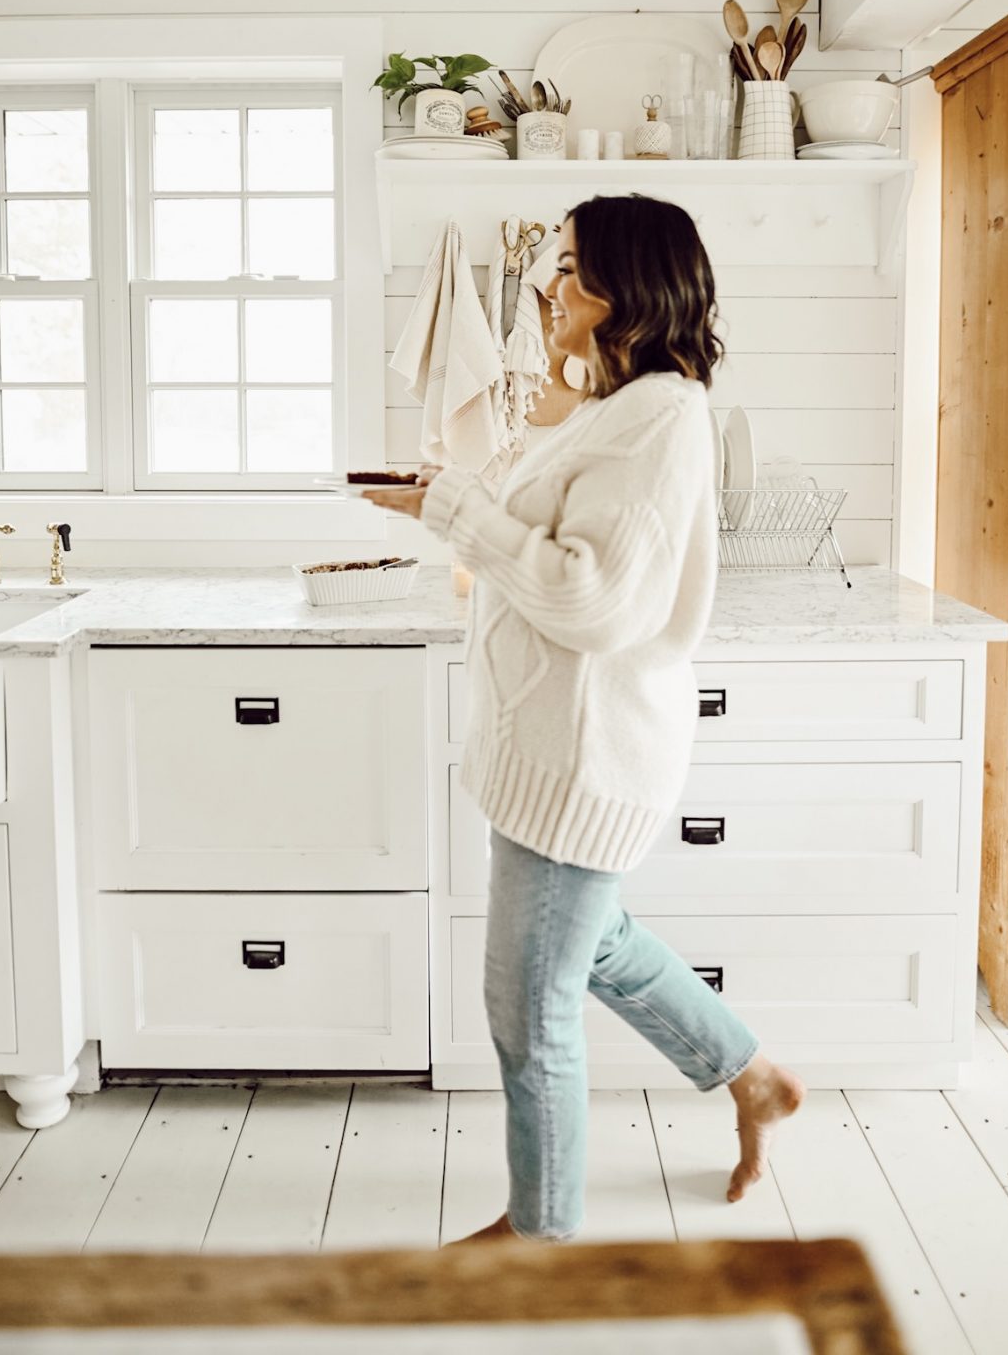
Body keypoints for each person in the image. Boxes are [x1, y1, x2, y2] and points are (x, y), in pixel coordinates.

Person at [364, 194, 804, 1243]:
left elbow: (595, 601)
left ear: (625, 285)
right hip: (550, 748)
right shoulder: (615, 406)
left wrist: (454, 511)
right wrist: (453, 493)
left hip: (582, 757)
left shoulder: (661, 418)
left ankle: (542, 1245)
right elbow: (550, 540)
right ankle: (753, 1078)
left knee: (528, 1010)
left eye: (566, 268)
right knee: (594, 944)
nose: (544, 285)